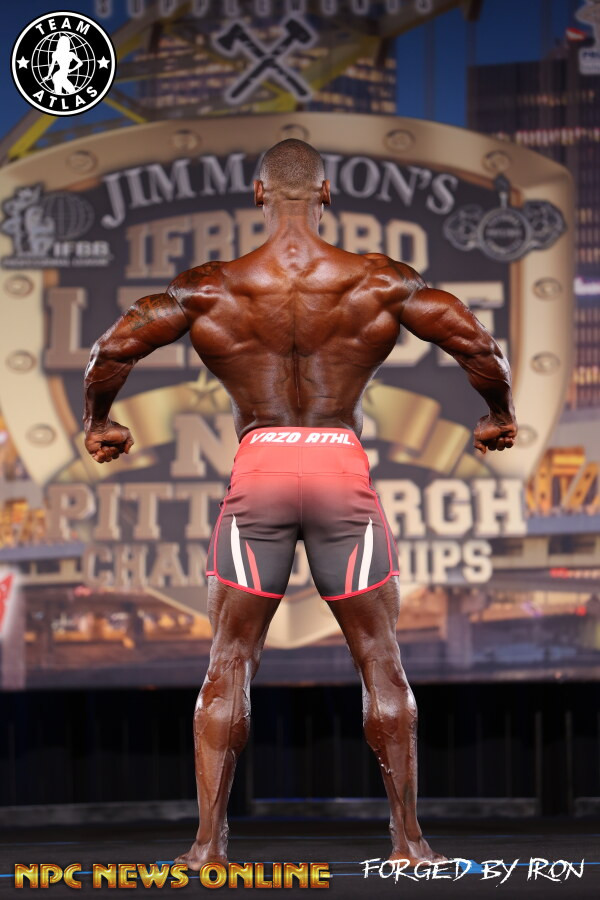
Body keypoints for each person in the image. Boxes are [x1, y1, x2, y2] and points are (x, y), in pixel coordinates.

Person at [83, 139, 517, 869]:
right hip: (339, 466)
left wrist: (100, 422)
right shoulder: (378, 280)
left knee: (229, 660)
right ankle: (410, 844)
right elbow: (479, 346)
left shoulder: (210, 287)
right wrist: (497, 413)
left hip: (261, 468)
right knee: (380, 659)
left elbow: (112, 350)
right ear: (327, 192)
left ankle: (207, 846)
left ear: (258, 193)